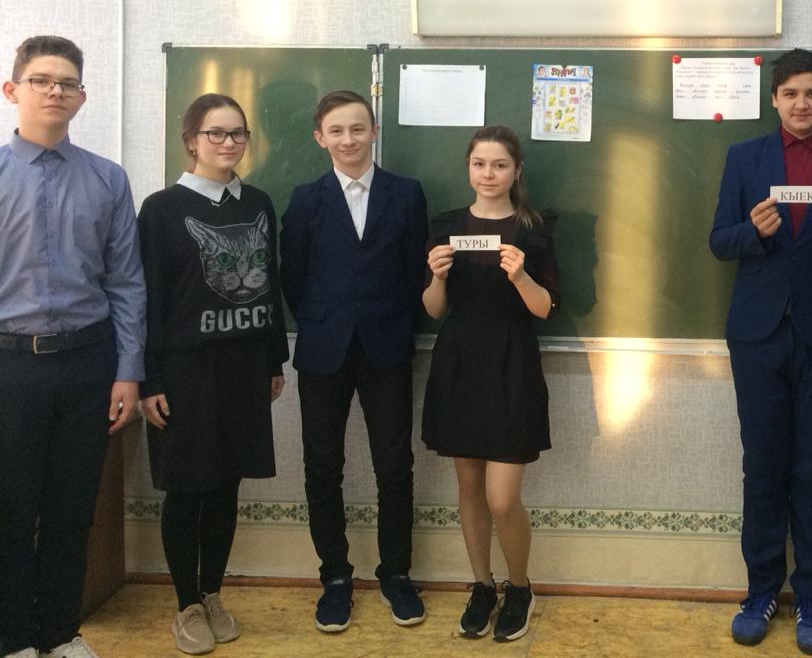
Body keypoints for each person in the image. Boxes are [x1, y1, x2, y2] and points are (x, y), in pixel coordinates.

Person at [709, 48, 812, 656]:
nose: (801, 104)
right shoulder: (744, 157)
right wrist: (752, 233)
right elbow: (719, 241)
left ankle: (811, 597)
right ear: (774, 99)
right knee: (762, 466)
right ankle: (760, 592)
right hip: (757, 335)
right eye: (790, 94)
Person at [0, 36, 146, 658]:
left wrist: (128, 372)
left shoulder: (107, 179)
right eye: (41, 80)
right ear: (12, 90)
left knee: (71, 507)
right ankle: (12, 639)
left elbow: (126, 282)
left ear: (82, 97)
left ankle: (59, 633)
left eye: (67, 82)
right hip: (9, 365)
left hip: (89, 363)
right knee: (9, 510)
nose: (55, 91)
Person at [137, 94, 289, 655]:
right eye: (216, 133)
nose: (229, 143)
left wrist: (274, 360)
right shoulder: (161, 209)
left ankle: (213, 593)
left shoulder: (259, 203)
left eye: (238, 133)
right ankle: (186, 604)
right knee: (187, 488)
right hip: (183, 373)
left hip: (245, 369)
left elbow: (270, 285)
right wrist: (149, 380)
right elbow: (147, 299)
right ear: (191, 140)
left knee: (227, 484)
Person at [280, 90, 429, 633]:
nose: (349, 139)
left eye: (358, 128)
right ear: (320, 137)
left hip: (387, 347)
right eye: (337, 131)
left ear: (374, 132)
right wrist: (327, 320)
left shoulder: (406, 194)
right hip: (323, 350)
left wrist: (385, 320)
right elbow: (292, 277)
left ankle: (396, 573)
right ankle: (336, 578)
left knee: (395, 465)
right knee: (323, 468)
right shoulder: (305, 199)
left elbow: (416, 272)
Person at [422, 125, 558, 643]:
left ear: (516, 170)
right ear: (468, 168)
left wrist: (522, 276)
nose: (488, 174)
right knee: (469, 489)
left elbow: (545, 309)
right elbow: (434, 309)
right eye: (479, 164)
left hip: (511, 364)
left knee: (503, 499)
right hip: (459, 364)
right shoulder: (446, 226)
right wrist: (437, 277)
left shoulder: (534, 230)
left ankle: (519, 587)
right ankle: (482, 586)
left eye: (499, 165)